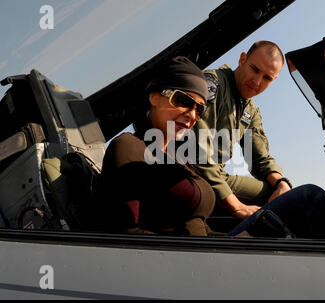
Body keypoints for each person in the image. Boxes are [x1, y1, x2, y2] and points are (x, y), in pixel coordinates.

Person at [95, 56, 217, 236]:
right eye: (183, 101)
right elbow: (126, 232)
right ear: (154, 97)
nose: (192, 115)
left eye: (199, 109)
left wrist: (239, 240)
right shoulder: (128, 146)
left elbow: (198, 224)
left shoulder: (177, 158)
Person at [192, 41, 290, 220]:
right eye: (254, 69)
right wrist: (236, 206)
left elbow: (259, 158)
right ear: (242, 59)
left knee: (286, 197)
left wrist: (282, 184)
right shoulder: (212, 84)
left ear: (274, 79)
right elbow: (197, 154)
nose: (257, 81)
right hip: (193, 174)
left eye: (267, 78)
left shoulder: (250, 111)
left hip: (219, 177)